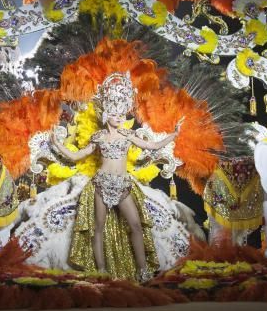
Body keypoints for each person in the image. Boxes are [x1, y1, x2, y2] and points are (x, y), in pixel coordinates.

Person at [50, 72, 182, 282]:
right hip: (101, 184)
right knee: (98, 228)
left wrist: (174, 135)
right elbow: (76, 156)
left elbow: (153, 146)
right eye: (115, 112)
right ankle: (101, 270)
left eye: (122, 113)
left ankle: (142, 270)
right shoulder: (99, 136)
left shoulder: (129, 135)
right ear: (106, 114)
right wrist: (57, 143)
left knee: (136, 225)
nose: (120, 116)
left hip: (123, 186)